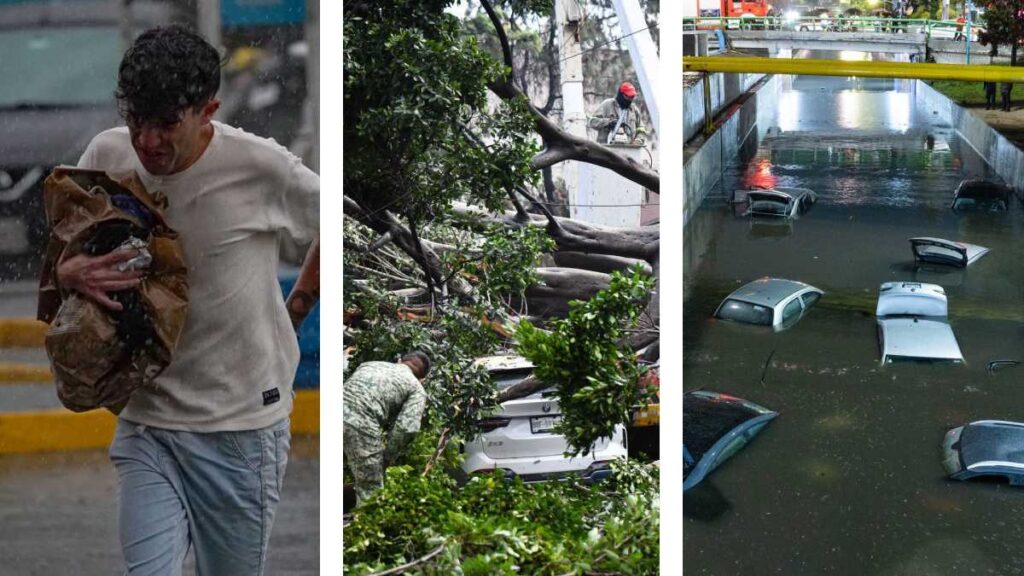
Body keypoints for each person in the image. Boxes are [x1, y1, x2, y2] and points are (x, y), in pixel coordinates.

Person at [55, 26, 319, 575]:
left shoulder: (261, 166)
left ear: (208, 111)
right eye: (136, 120)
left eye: (166, 123)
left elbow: (335, 226)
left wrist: (297, 305)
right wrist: (67, 270)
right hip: (146, 421)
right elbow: (69, 248)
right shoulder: (106, 154)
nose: (147, 141)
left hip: (239, 429)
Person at [343, 353, 431, 503]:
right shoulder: (416, 388)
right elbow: (407, 428)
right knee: (371, 490)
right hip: (361, 424)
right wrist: (388, 457)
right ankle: (366, 517)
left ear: (399, 360)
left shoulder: (369, 364)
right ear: (422, 379)